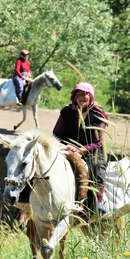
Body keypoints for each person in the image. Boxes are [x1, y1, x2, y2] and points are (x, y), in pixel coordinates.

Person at [52, 82, 108, 214]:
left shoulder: (98, 114)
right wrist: (67, 146)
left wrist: (82, 149)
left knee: (98, 169)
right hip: (67, 148)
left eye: (85, 94)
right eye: (78, 95)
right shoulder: (67, 112)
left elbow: (98, 141)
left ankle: (98, 201)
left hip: (91, 151)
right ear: (74, 97)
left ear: (91, 96)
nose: (82, 98)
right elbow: (56, 134)